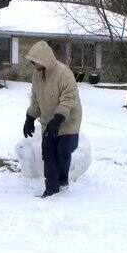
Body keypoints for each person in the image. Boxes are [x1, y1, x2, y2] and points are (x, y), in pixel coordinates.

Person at [23, 41, 82, 198]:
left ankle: (63, 181)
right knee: (48, 153)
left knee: (63, 151)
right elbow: (36, 100)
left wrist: (58, 119)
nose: (32, 64)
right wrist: (29, 118)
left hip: (68, 120)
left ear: (43, 60)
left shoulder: (64, 74)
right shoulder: (37, 75)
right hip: (49, 121)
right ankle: (51, 189)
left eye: (34, 61)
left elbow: (69, 99)